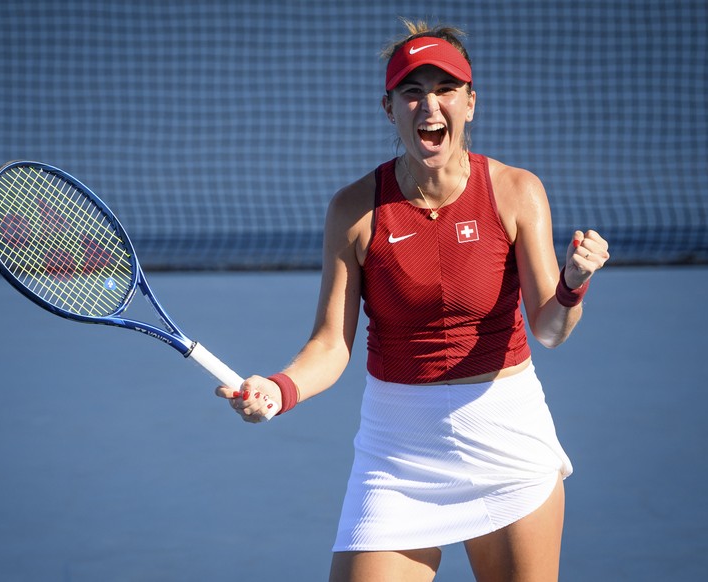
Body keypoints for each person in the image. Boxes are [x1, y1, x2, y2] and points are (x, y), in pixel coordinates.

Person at [215, 18, 609, 582]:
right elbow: (330, 343)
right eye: (412, 92)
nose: (430, 106)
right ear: (389, 109)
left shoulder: (516, 191)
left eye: (446, 89)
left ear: (470, 103)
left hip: (506, 434)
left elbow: (548, 330)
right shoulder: (354, 210)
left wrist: (572, 281)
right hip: (399, 449)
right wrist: (279, 389)